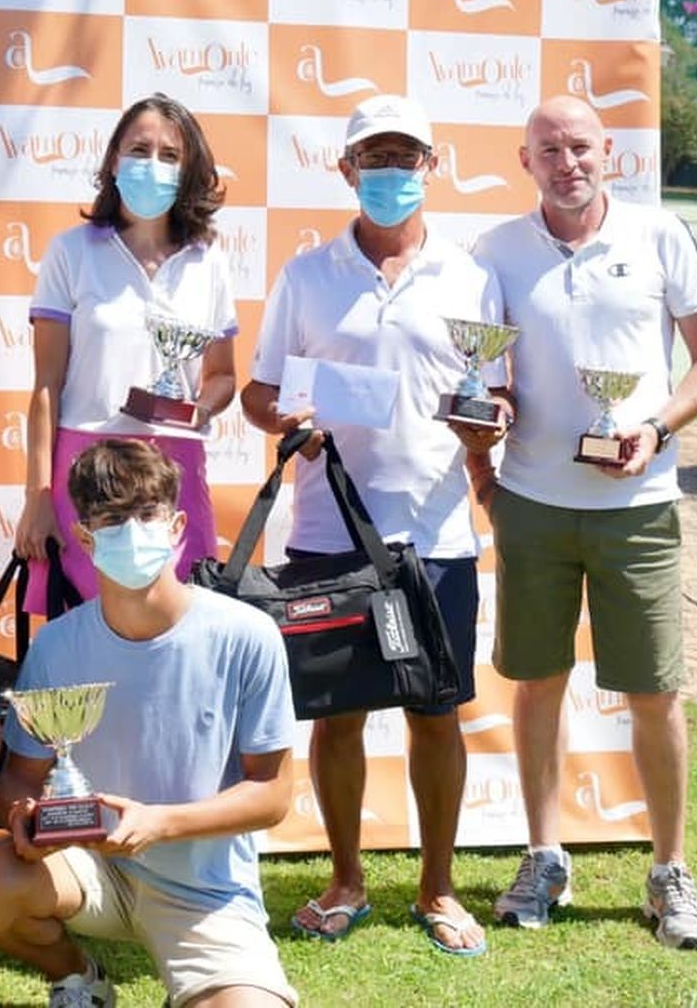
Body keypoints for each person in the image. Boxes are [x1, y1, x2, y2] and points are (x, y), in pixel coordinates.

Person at [239, 94, 502, 956]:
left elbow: (497, 392)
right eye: (373, 158)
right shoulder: (306, 274)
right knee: (338, 716)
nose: (390, 173)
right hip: (327, 531)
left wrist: (488, 421)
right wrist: (286, 421)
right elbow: (258, 390)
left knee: (437, 712)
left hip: (437, 534)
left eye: (406, 157)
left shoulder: (471, 277)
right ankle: (346, 876)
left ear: (434, 165)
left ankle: (437, 887)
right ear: (345, 170)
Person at [473, 95, 697, 949]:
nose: (566, 160)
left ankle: (670, 870)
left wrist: (654, 428)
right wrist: (495, 419)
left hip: (640, 504)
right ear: (525, 161)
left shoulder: (660, 235)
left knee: (654, 692)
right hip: (536, 503)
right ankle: (544, 854)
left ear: (608, 149)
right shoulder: (496, 251)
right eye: (548, 148)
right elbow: (488, 375)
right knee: (537, 683)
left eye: (579, 144)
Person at [0, 438, 298, 1008]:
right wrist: (22, 817)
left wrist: (160, 823)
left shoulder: (247, 634)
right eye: (114, 519)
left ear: (177, 525)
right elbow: (21, 778)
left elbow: (272, 794)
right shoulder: (58, 644)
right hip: (85, 867)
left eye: (147, 514)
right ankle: (79, 978)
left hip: (205, 887)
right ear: (86, 538)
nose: (134, 531)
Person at [14, 94, 237, 614]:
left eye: (169, 155)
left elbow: (224, 375)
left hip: (175, 466)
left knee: (181, 626)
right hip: (85, 466)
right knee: (82, 634)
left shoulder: (209, 259)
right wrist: (38, 495)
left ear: (189, 171)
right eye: (139, 149)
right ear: (113, 160)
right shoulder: (72, 251)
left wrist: (195, 410)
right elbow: (47, 384)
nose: (151, 165)